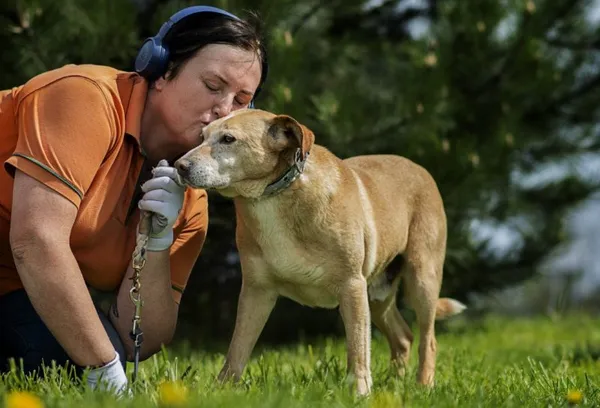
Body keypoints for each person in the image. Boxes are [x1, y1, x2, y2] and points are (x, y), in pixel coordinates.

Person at [0, 5, 268, 394]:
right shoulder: (84, 97)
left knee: (67, 357)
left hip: (9, 289)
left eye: (243, 100)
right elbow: (34, 241)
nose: (224, 112)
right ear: (161, 71)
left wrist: (157, 245)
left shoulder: (191, 198)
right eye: (213, 86)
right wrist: (105, 368)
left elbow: (137, 336)